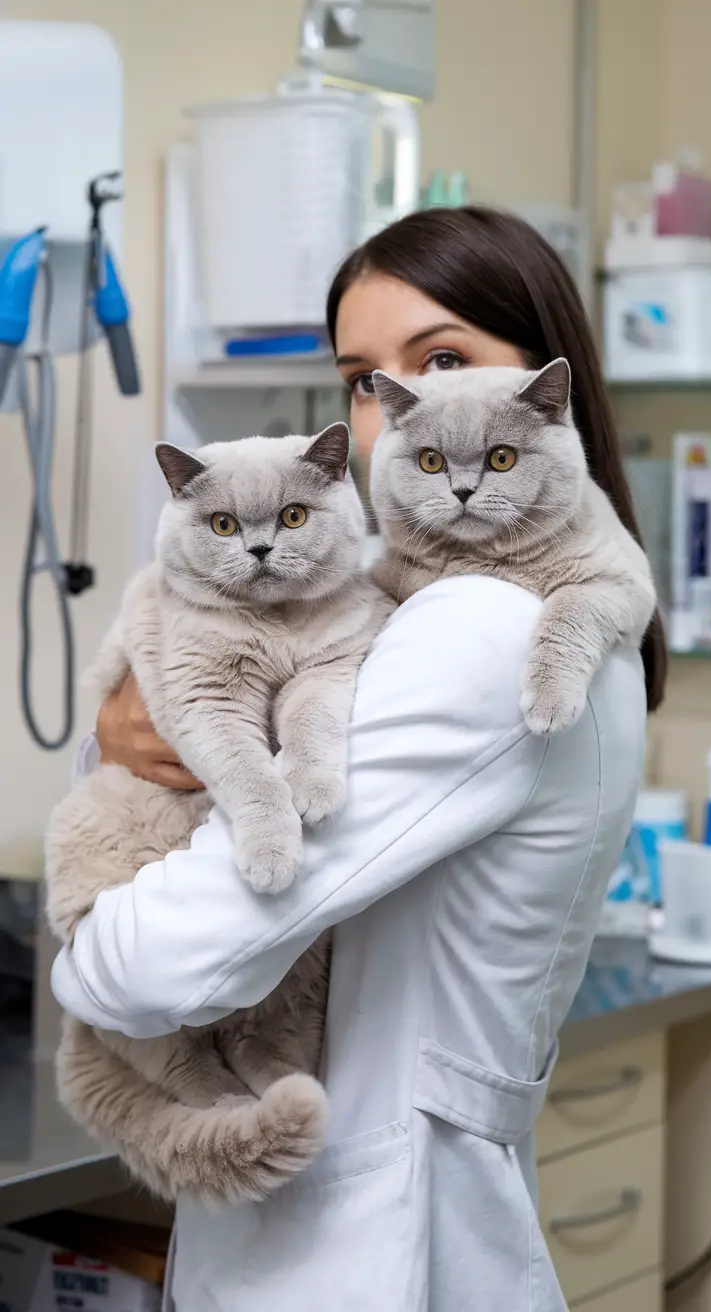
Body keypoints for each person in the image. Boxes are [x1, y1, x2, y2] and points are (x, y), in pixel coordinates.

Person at [51, 207, 665, 1312]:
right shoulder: (530, 606)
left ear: (546, 396)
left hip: (362, 1246)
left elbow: (148, 967)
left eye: (442, 359)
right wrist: (125, 736)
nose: (396, 415)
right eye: (361, 379)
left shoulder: (478, 630)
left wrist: (80, 958)